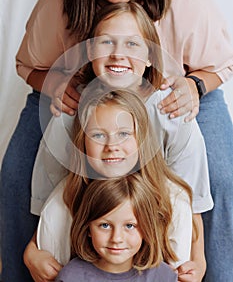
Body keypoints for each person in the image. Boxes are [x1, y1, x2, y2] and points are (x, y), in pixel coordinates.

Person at [0, 0, 232, 280]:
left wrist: (196, 85)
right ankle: (26, 268)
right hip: (75, 94)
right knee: (16, 178)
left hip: (181, 89)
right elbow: (27, 65)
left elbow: (222, 64)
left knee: (222, 178)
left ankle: (212, 272)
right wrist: (53, 85)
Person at [25, 2, 210, 282]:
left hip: (150, 218)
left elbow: (190, 200)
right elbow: (51, 204)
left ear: (151, 56)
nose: (117, 55)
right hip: (89, 223)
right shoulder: (69, 113)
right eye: (106, 43)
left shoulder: (172, 111)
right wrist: (32, 252)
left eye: (132, 45)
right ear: (89, 52)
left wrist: (198, 260)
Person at [25, 88, 193, 282]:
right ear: (83, 144)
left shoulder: (172, 197)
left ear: (142, 140)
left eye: (123, 133)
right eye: (98, 135)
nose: (112, 146)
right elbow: (46, 234)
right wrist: (31, 254)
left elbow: (183, 253)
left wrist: (198, 261)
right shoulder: (63, 198)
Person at [55, 174, 178, 282]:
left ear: (147, 229)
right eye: (105, 225)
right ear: (88, 228)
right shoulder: (71, 276)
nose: (116, 238)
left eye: (129, 226)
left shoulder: (164, 276)